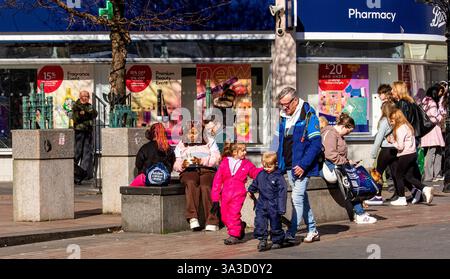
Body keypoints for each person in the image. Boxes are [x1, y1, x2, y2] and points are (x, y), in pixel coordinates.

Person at [276, 87, 322, 244]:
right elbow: (280, 141)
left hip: (302, 167)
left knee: (296, 198)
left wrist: (303, 165)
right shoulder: (284, 116)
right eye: (281, 105)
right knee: (303, 199)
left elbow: (316, 145)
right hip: (288, 165)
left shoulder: (309, 115)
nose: (284, 108)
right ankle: (312, 230)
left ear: (295, 101)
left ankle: (291, 232)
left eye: (286, 104)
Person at [321, 113, 377, 224]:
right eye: (348, 131)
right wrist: (347, 162)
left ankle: (359, 212)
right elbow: (330, 154)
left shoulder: (336, 134)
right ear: (343, 126)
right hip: (330, 167)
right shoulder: (331, 134)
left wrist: (348, 162)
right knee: (351, 184)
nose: (348, 133)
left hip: (335, 165)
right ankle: (360, 214)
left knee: (354, 182)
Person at [173, 121, 221, 232]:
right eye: (190, 133)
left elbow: (217, 159)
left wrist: (202, 160)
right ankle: (192, 217)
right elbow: (176, 164)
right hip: (189, 170)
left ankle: (212, 220)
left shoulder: (210, 142)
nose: (192, 136)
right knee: (191, 182)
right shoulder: (181, 145)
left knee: (206, 186)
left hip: (207, 170)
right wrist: (182, 165)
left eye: (195, 133)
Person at [211, 142, 262, 245]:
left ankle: (234, 235)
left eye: (245, 150)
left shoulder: (246, 164)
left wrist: (264, 169)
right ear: (234, 152)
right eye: (242, 150)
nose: (245, 152)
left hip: (238, 194)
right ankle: (240, 226)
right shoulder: (224, 163)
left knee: (234, 214)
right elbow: (217, 181)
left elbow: (254, 172)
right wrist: (215, 199)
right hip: (225, 194)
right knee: (225, 217)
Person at [387, 109, 434, 205]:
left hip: (405, 154)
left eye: (392, 120)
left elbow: (400, 146)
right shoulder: (408, 126)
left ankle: (401, 198)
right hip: (412, 154)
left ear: (397, 119)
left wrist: (392, 141)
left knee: (398, 175)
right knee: (409, 176)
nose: (391, 123)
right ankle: (425, 189)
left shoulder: (400, 129)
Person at [247, 152, 288, 252]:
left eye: (269, 166)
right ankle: (262, 239)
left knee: (275, 223)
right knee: (260, 222)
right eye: (264, 166)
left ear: (275, 164)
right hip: (262, 203)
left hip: (274, 204)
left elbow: (282, 193)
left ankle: (277, 240)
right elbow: (255, 183)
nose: (267, 169)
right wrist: (250, 190)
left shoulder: (278, 177)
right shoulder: (261, 174)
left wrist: (281, 208)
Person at [368, 101, 399, 205]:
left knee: (378, 173)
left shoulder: (384, 121)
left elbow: (379, 138)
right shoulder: (395, 120)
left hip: (386, 149)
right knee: (395, 173)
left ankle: (377, 196)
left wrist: (373, 153)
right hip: (394, 148)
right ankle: (400, 194)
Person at [421, 84, 445, 182]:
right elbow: (434, 116)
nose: (440, 94)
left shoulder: (425, 101)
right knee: (432, 152)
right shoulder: (433, 103)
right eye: (439, 91)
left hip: (428, 131)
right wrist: (441, 117)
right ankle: (431, 175)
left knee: (435, 151)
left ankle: (435, 174)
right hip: (433, 130)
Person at [72, 90, 98, 184]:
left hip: (88, 132)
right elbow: (77, 118)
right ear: (80, 96)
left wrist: (86, 114)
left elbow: (95, 114)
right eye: (84, 96)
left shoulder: (89, 106)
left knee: (86, 154)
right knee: (77, 153)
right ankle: (73, 173)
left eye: (87, 96)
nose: (86, 98)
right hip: (79, 132)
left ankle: (81, 176)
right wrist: (86, 115)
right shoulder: (76, 105)